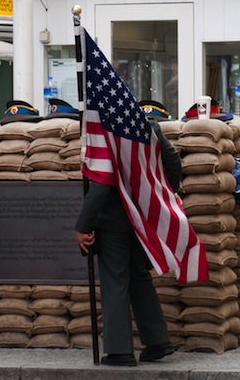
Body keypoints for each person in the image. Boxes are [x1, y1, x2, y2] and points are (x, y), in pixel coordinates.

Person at [74, 99, 181, 367]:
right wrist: (162, 197)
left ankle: (120, 350)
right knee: (138, 276)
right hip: (143, 216)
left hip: (113, 220)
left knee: (115, 280)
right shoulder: (149, 127)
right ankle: (157, 342)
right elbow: (173, 163)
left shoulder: (105, 135)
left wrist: (82, 225)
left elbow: (101, 185)